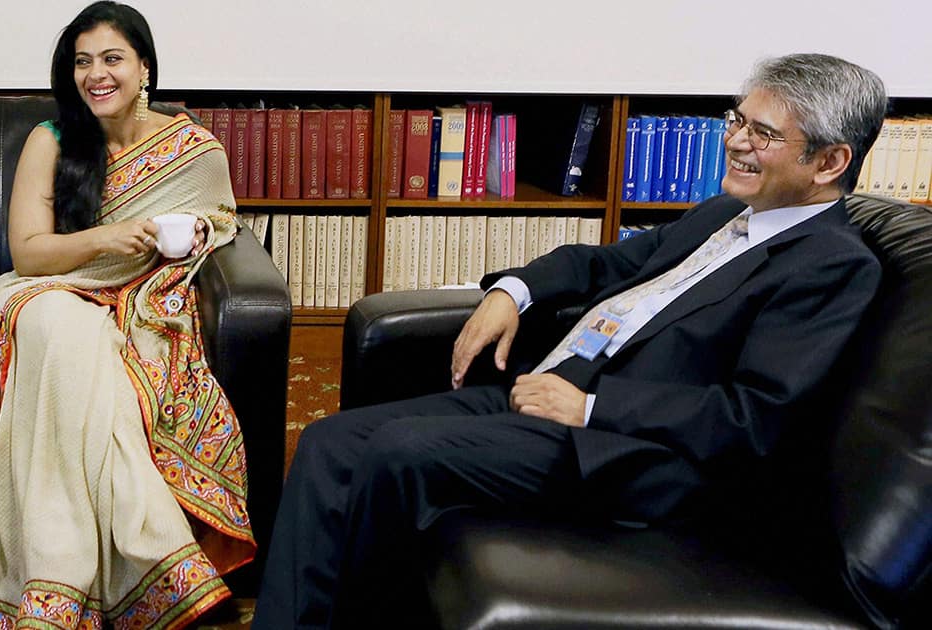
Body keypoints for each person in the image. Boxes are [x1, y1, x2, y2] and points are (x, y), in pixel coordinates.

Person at [253, 52, 887, 630]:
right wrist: (513, 292)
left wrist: (588, 407)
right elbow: (608, 265)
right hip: (555, 388)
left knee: (396, 452)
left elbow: (753, 416)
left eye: (764, 134)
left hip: (627, 447)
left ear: (829, 162)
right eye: (737, 120)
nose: (736, 142)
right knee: (329, 442)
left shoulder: (832, 264)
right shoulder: (727, 212)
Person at [0, 2, 255, 627]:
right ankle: (159, 566)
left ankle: (57, 588)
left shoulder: (192, 149)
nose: (96, 74)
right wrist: (106, 238)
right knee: (63, 324)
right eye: (82, 61)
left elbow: (219, 221)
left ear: (144, 66)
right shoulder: (52, 140)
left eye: (112, 58)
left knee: (89, 352)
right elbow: (29, 254)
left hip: (131, 304)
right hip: (35, 293)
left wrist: (191, 232)